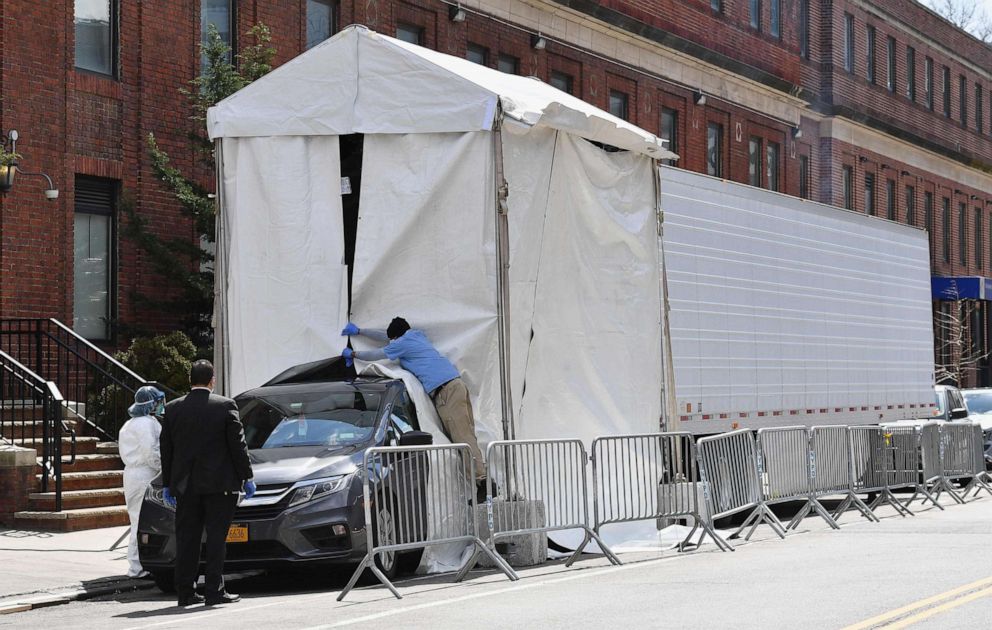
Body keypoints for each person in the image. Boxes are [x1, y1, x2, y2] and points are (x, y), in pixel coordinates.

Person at [342, 317, 489, 496]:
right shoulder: (416, 335)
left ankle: (484, 484)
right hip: (455, 386)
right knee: (467, 435)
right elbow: (386, 337)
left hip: (446, 392)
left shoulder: (401, 343)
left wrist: (353, 355)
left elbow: (378, 353)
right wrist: (360, 332)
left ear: (397, 337)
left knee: (463, 438)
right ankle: (484, 481)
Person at [159, 360, 255, 607]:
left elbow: (166, 450)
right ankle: (214, 589)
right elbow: (238, 445)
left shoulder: (172, 409)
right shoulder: (225, 406)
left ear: (190, 380)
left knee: (187, 538)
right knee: (216, 538)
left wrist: (168, 483)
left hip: (185, 486)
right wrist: (247, 476)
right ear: (212, 380)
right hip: (219, 484)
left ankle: (185, 592)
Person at [118, 385, 166, 578]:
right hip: (145, 474)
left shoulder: (129, 424)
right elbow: (152, 453)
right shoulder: (146, 424)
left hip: (132, 474)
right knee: (141, 520)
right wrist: (164, 468)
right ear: (151, 404)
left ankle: (137, 564)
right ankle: (137, 567)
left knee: (136, 519)